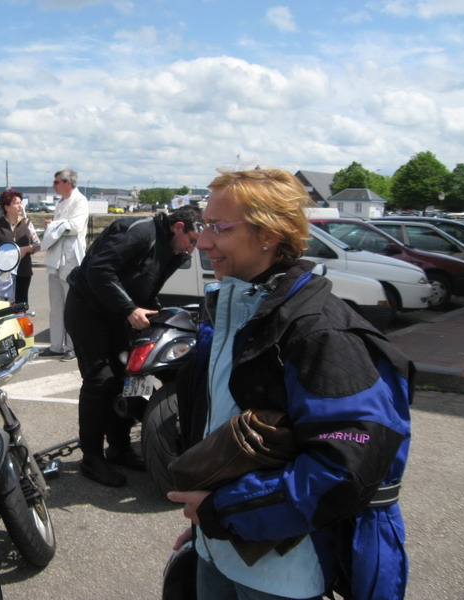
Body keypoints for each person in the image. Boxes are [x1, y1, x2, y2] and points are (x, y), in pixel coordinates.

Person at [167, 169, 412, 600]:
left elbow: (345, 467)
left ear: (269, 235)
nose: (202, 243)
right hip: (220, 547)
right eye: (204, 226)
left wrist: (225, 513)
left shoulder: (320, 330)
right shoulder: (234, 309)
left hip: (283, 573)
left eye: (219, 228)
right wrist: (209, 526)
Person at [64, 204, 203, 487]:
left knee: (129, 378)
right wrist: (129, 308)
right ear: (178, 227)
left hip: (117, 313)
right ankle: (91, 458)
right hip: (87, 309)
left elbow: (146, 286)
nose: (191, 249)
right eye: (191, 241)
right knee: (100, 381)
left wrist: (152, 312)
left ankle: (119, 448)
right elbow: (99, 270)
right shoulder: (139, 232)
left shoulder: (173, 251)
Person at [39, 169, 88, 361]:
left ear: (68, 183)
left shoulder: (80, 201)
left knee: (71, 306)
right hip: (56, 259)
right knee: (56, 306)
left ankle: (72, 347)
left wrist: (54, 225)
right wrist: (55, 225)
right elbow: (62, 227)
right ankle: (56, 345)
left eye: (56, 182)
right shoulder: (60, 203)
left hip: (71, 260)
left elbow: (75, 227)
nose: (54, 185)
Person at [0, 188, 41, 304]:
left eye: (20, 203)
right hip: (2, 272)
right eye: (16, 203)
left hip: (23, 271)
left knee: (21, 304)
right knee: (2, 306)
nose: (20, 206)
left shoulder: (27, 223)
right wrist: (2, 251)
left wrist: (28, 248)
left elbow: (38, 245)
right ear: (7, 207)